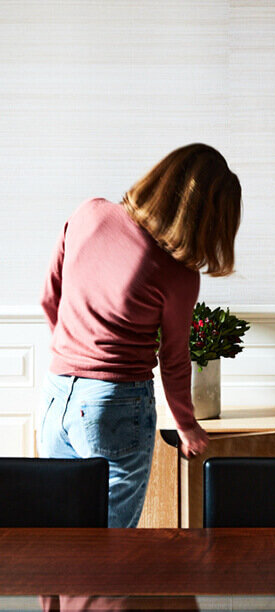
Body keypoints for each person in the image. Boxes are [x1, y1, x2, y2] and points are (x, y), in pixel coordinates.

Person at [38, 143, 242, 527]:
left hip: (54, 394)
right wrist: (186, 424)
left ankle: (53, 591)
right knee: (112, 539)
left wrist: (72, 358)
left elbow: (50, 296)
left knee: (56, 533)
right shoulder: (178, 273)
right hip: (116, 402)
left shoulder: (89, 212)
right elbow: (175, 357)